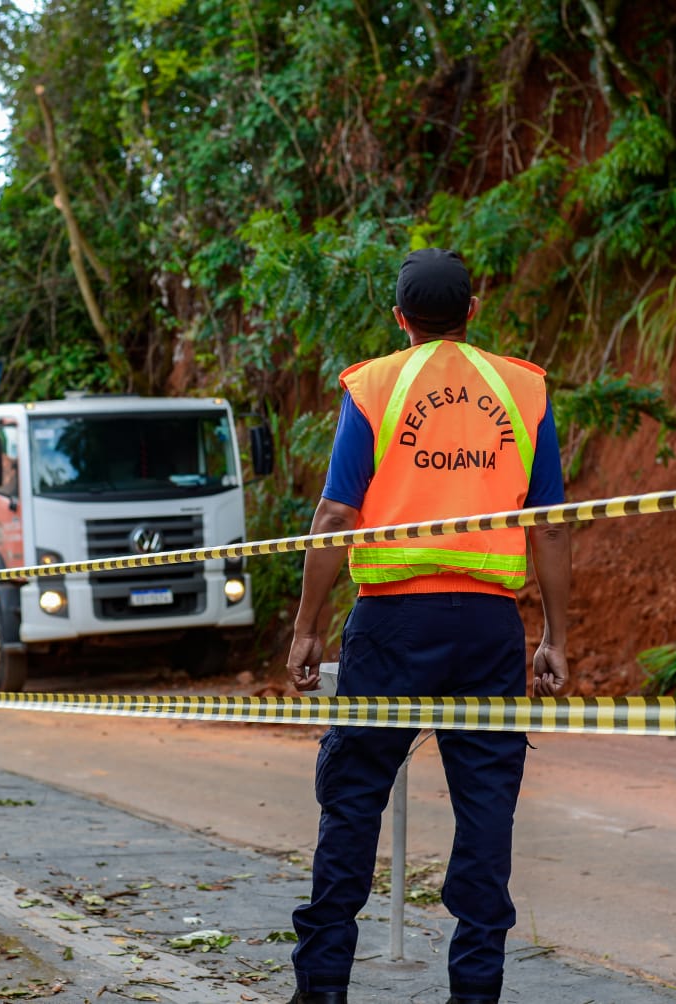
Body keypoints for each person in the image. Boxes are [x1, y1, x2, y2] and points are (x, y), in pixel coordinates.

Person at [285, 248, 572, 1004]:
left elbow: (337, 514)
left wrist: (308, 626)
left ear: (400, 318)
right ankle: (475, 993)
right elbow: (550, 526)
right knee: (486, 809)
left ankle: (321, 989)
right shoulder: (522, 388)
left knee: (352, 800)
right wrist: (555, 637)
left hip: (391, 627)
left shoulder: (375, 384)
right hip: (487, 628)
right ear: (474, 311)